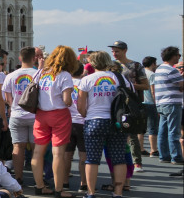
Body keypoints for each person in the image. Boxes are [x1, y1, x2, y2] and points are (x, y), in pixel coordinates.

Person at [77, 50, 130, 198]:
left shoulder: (87, 79)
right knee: (119, 158)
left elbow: (80, 106)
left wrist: (87, 116)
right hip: (116, 121)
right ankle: (118, 192)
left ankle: (91, 192)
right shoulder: (120, 78)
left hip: (94, 120)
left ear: (92, 63)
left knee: (92, 159)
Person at [30, 45, 77, 196]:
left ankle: (39, 186)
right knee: (58, 154)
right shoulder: (65, 75)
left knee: (37, 152)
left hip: (41, 114)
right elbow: (67, 100)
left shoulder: (42, 73)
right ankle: (58, 189)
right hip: (59, 115)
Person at [1, 47, 38, 185]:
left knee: (18, 147)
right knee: (36, 148)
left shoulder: (11, 75)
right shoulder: (38, 74)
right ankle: (37, 178)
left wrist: (13, 105)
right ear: (34, 58)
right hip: (34, 115)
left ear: (20, 58)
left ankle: (18, 177)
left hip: (16, 114)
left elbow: (6, 96)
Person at [108, 40, 148, 171]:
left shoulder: (135, 66)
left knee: (131, 132)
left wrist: (127, 87)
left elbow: (146, 85)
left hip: (130, 103)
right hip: (114, 102)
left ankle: (137, 162)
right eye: (113, 51)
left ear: (125, 50)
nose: (114, 53)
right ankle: (119, 163)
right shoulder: (110, 66)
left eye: (117, 51)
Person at [153, 46, 184, 164]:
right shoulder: (172, 70)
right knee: (174, 131)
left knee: (163, 131)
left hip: (161, 102)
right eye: (178, 55)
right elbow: (181, 85)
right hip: (172, 103)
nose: (179, 57)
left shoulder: (160, 69)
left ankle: (164, 155)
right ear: (172, 56)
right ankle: (176, 156)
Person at [61, 63, 87, 195]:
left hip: (68, 122)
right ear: (82, 71)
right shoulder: (85, 83)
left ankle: (64, 181)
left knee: (67, 154)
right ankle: (83, 183)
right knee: (83, 155)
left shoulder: (66, 83)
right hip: (83, 121)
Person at [141, 56, 159, 156]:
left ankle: (141, 148)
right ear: (153, 64)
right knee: (153, 127)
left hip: (141, 102)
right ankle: (153, 149)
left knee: (141, 128)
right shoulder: (152, 74)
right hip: (150, 103)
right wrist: (157, 103)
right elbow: (153, 90)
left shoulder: (141, 73)